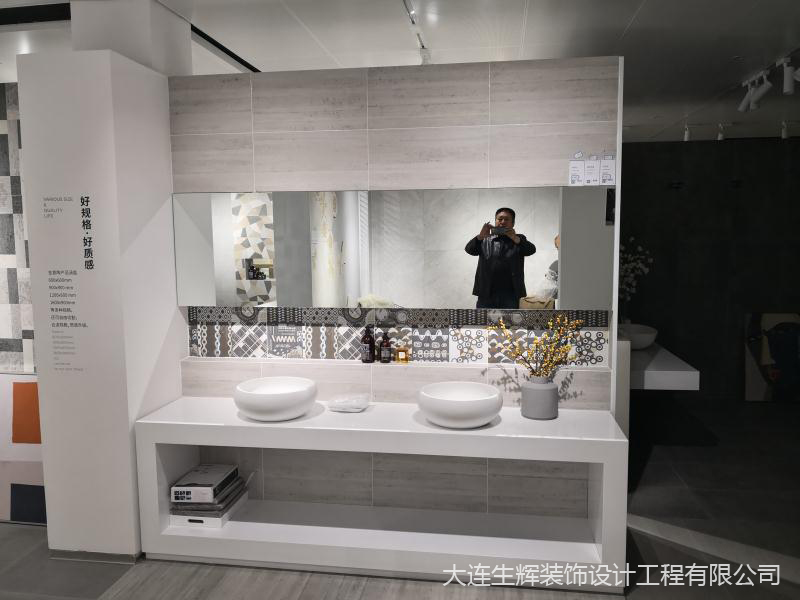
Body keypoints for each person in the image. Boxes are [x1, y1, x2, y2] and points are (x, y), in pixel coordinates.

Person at [465, 207, 536, 309]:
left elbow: (531, 250)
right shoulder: (485, 239)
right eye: (500, 219)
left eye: (506, 219)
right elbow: (469, 250)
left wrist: (515, 238)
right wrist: (480, 237)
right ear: (495, 221)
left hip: (511, 294)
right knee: (484, 319)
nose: (502, 222)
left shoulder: (518, 239)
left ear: (513, 223)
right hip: (486, 292)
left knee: (510, 320)